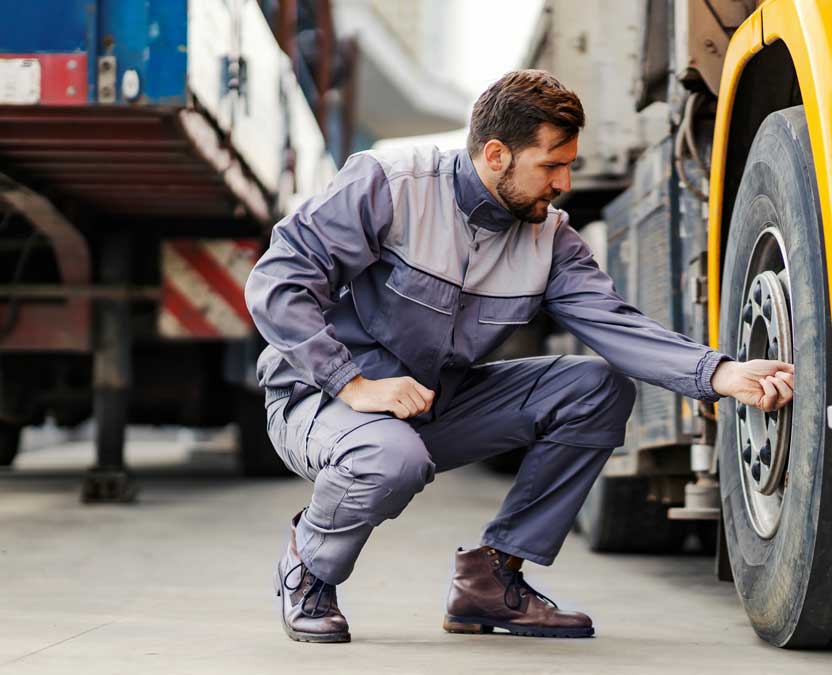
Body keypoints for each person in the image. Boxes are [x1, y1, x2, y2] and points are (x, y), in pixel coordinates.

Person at [245, 69, 794, 643]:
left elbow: (616, 325)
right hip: (320, 402)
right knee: (388, 459)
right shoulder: (391, 185)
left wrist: (722, 373)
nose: (564, 183)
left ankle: (492, 578)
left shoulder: (549, 238)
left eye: (569, 166)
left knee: (596, 388)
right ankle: (310, 571)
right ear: (496, 154)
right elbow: (278, 283)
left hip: (434, 402)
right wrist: (352, 382)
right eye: (551, 166)